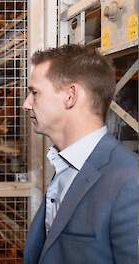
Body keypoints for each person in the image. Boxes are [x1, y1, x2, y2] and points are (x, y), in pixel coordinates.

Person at [22, 44, 138, 264]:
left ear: (70, 96)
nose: (26, 104)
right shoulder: (65, 165)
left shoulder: (130, 181)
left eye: (34, 93)